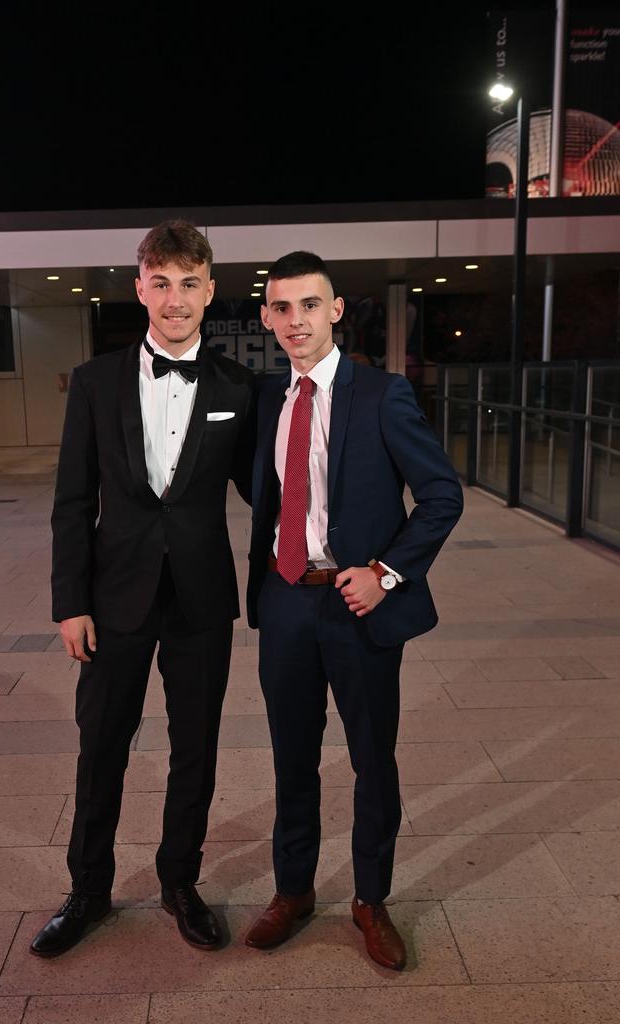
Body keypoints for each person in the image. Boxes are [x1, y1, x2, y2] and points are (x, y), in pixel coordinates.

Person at [31, 220, 255, 958]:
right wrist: (70, 601)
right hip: (112, 600)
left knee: (197, 748)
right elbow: (71, 501)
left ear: (210, 290)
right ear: (140, 288)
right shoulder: (95, 383)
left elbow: (271, 489)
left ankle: (179, 883)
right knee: (101, 747)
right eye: (161, 282)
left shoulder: (236, 386)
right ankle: (88, 891)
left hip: (200, 602)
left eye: (189, 283)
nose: (175, 298)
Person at [244, 251, 462, 970]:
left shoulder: (382, 394)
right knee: (291, 761)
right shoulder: (269, 399)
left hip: (359, 606)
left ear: (336, 310)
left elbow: (441, 497)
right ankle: (295, 890)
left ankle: (371, 900)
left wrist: (384, 572)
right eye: (281, 307)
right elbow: (270, 494)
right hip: (285, 605)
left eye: (309, 305)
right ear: (269, 317)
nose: (294, 320)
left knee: (373, 762)